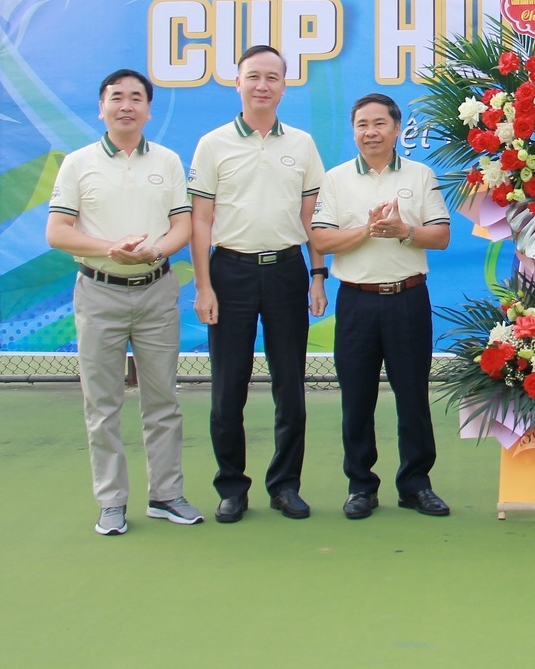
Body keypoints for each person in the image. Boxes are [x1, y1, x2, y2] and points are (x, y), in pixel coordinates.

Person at [45, 68, 202, 535]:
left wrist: (155, 251)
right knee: (102, 404)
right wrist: (110, 249)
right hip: (99, 293)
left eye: (136, 97)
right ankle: (111, 501)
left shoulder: (168, 161)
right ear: (102, 108)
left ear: (149, 110)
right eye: (117, 97)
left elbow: (183, 225)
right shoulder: (78, 163)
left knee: (163, 400)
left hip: (156, 290)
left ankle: (166, 495)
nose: (126, 106)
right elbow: (58, 232)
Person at [188, 45, 327, 523]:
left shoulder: (302, 145)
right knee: (228, 387)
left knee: (291, 385)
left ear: (284, 86)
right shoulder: (213, 144)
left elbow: (312, 217)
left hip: (287, 271)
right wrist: (204, 286)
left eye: (272, 77)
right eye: (253, 76)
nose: (262, 85)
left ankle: (285, 485)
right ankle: (232, 487)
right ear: (238, 83)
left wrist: (317, 275)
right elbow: (201, 220)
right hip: (230, 273)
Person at [310, 94, 452, 519]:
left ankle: (415, 484)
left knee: (413, 395)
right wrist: (368, 230)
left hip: (408, 299)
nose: (370, 132)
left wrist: (404, 231)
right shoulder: (335, 179)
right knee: (356, 398)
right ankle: (360, 486)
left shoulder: (420, 175)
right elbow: (321, 239)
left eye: (379, 124)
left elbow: (441, 235)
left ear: (396, 129)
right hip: (356, 302)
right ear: (353, 131)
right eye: (362, 125)